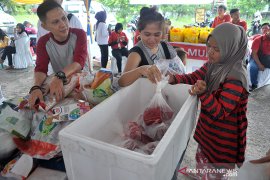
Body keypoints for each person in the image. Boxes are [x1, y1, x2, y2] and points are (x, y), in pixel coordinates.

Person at [147, 23, 249, 178]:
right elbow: (194, 76)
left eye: (216, 49)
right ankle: (201, 174)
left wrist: (203, 93)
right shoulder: (213, 65)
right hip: (209, 131)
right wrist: (174, 78)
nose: (210, 52)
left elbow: (220, 112)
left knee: (216, 170)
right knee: (203, 156)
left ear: (231, 49)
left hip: (223, 139)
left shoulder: (235, 78)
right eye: (209, 46)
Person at [28, 1, 88, 109]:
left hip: (83, 81)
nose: (63, 25)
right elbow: (41, 69)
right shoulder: (43, 42)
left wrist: (59, 76)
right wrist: (35, 87)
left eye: (64, 18)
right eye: (55, 22)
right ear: (45, 26)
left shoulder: (79, 34)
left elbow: (79, 62)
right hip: (61, 81)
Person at [118, 7, 185, 87]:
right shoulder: (136, 53)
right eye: (147, 34)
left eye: (157, 34)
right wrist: (140, 70)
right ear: (139, 32)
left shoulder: (165, 46)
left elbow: (180, 67)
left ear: (162, 33)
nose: (152, 39)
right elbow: (121, 82)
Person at [248, 22, 270, 91]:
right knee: (253, 68)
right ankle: (254, 85)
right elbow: (254, 54)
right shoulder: (258, 39)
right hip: (256, 57)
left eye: (266, 28)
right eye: (263, 28)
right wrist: (259, 64)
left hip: (267, 58)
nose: (265, 30)